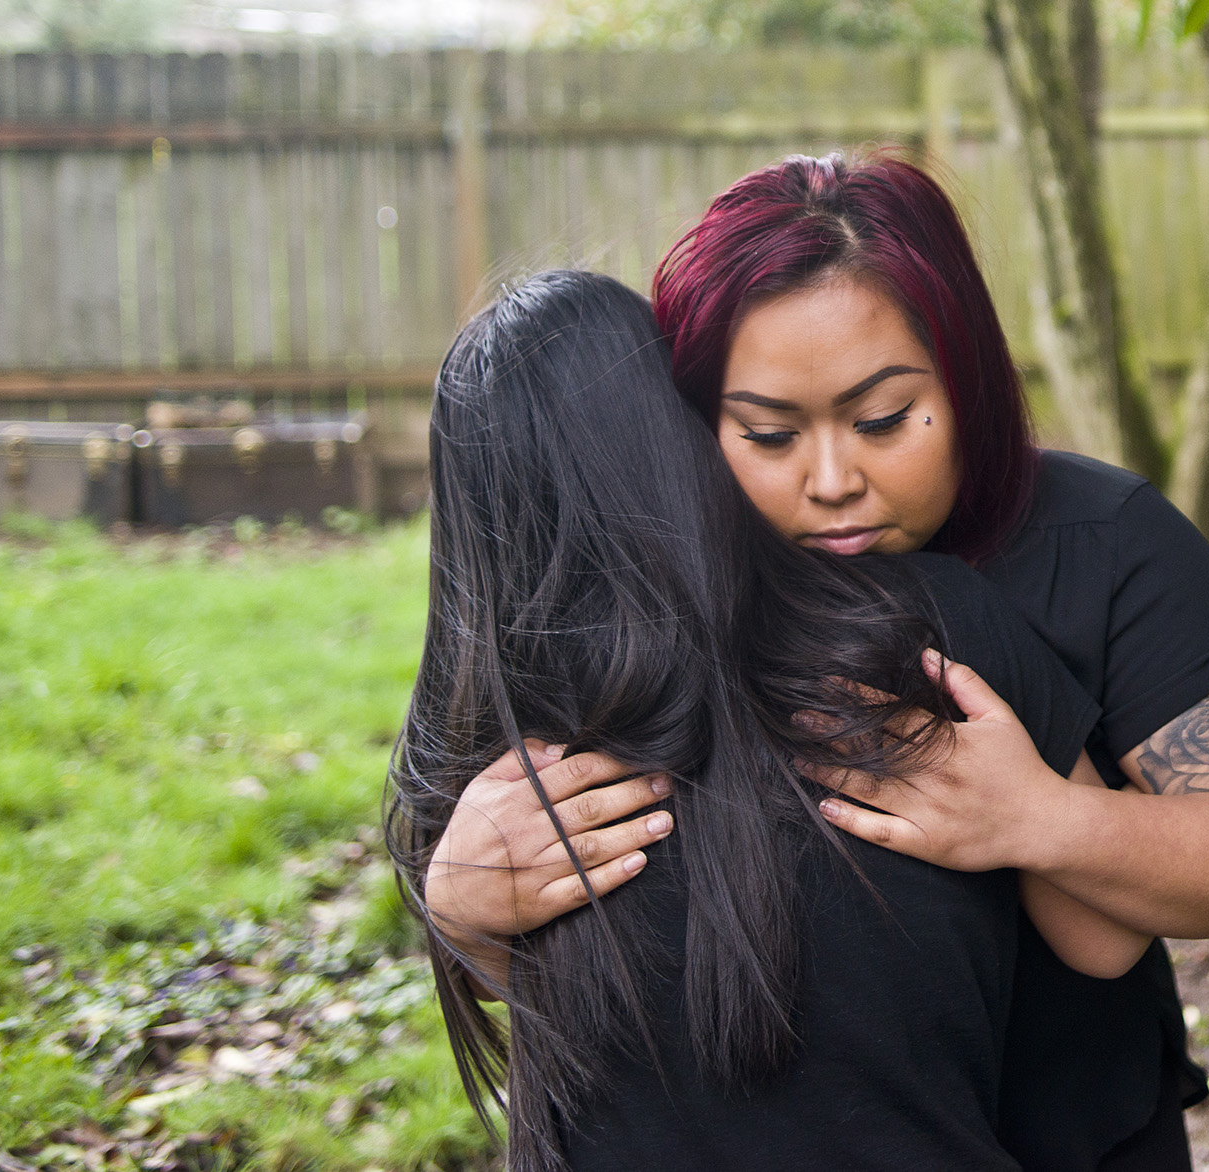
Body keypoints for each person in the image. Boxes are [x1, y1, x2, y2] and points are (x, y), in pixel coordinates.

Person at [426, 155, 1209, 1172]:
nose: (833, 482)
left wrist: (1040, 819)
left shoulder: (1108, 545)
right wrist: (461, 911)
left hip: (1085, 1137)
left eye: (883, 420)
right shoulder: (665, 599)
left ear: (967, 379)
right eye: (766, 433)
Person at [389, 270, 1145, 1172]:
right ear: (689, 433)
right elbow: (1106, 938)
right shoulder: (927, 636)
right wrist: (1032, 814)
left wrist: (463, 922)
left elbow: (602, 1044)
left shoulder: (498, 769)